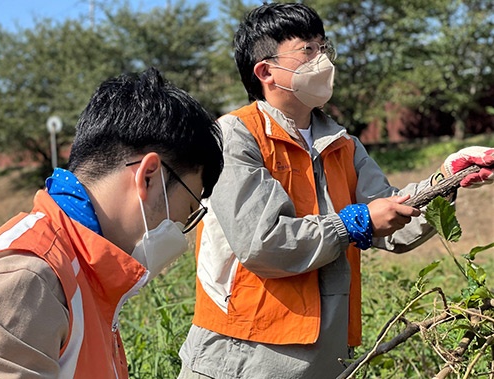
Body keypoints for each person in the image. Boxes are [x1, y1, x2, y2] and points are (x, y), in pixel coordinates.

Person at [177, 3, 494, 379]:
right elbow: (263, 243)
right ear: (266, 71)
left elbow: (393, 222)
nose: (322, 60)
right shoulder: (235, 136)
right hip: (245, 353)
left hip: (325, 355)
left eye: (323, 47)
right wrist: (353, 223)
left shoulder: (343, 144)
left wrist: (446, 179)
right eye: (307, 50)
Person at [0, 67, 223, 379]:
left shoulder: (76, 269)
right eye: (190, 207)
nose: (183, 227)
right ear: (149, 176)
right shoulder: (26, 281)